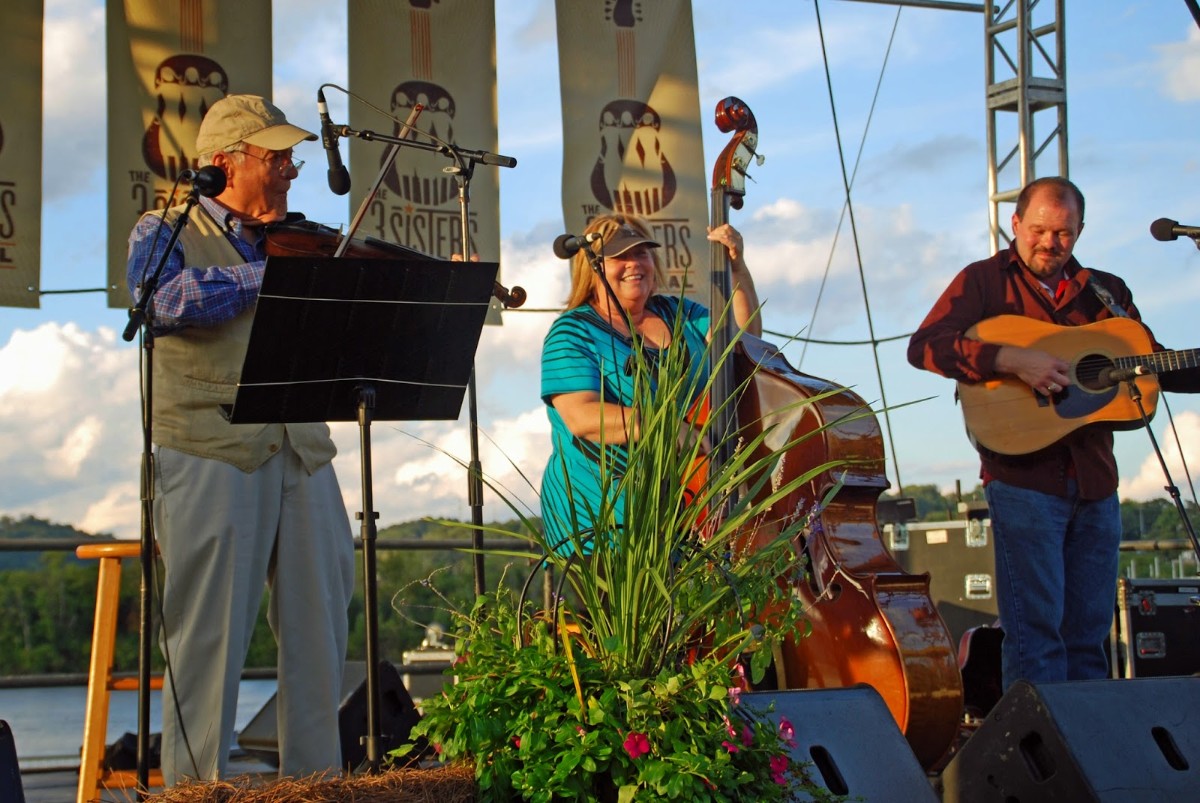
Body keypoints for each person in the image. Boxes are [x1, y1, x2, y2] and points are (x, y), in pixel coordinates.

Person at [125, 94, 356, 783]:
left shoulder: (300, 237)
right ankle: (193, 794)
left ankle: (317, 790)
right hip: (210, 450)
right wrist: (270, 275)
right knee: (207, 643)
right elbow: (159, 301)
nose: (291, 168)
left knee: (321, 636)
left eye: (292, 157)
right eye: (276, 155)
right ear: (225, 164)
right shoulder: (162, 228)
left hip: (302, 449)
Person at [907, 176, 1200, 689]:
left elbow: (1153, 362)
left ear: (1080, 231)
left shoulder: (1106, 292)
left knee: (1090, 639)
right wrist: (1010, 359)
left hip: (1096, 484)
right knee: (1036, 640)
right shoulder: (984, 281)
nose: (1049, 242)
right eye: (1039, 230)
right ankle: (1037, 742)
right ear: (1015, 223)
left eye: (1063, 233)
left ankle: (1085, 740)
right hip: (1023, 481)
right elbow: (925, 346)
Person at [539, 212, 760, 554]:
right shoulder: (572, 331)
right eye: (620, 256)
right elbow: (582, 417)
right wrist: (665, 427)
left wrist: (737, 269)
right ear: (593, 268)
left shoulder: (679, 312)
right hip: (600, 517)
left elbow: (746, 342)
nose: (634, 263)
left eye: (641, 253)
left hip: (682, 504)